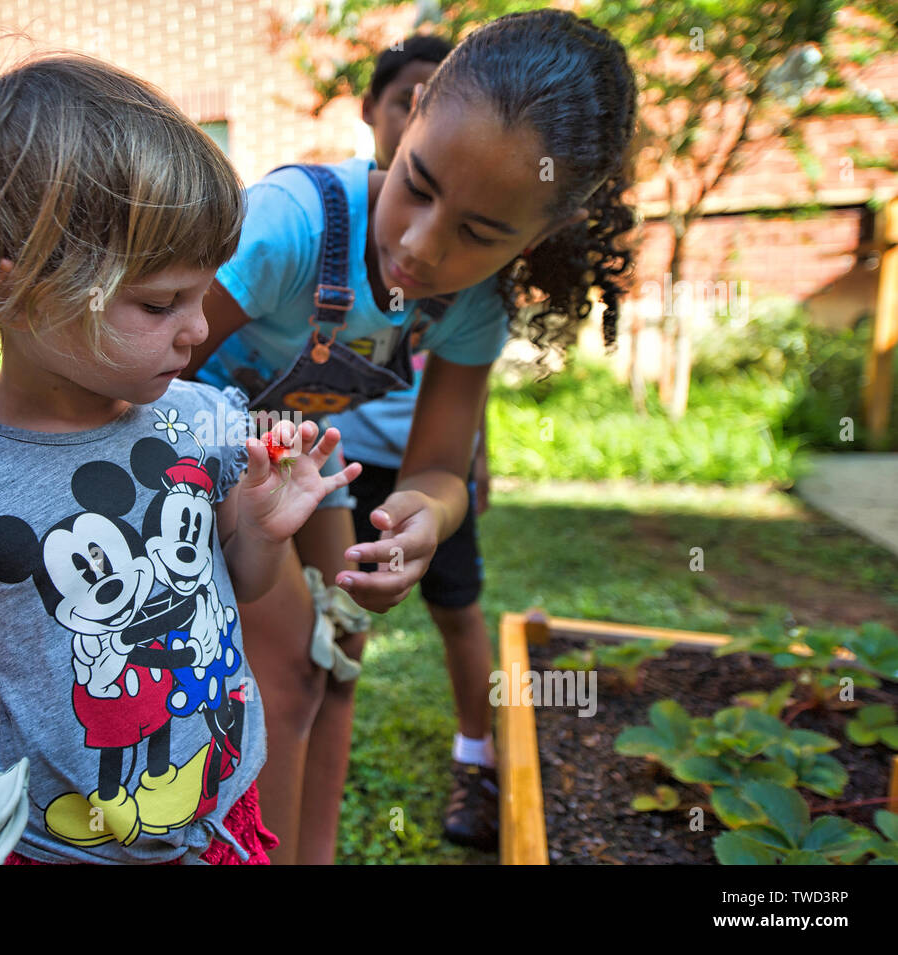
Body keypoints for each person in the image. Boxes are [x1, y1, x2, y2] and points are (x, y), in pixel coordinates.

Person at [0, 51, 361, 865]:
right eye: (160, 302)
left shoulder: (199, 422)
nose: (199, 328)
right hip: (59, 846)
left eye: (203, 290)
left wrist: (259, 532)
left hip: (221, 813)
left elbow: (243, 586)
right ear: (18, 289)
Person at [184, 10, 638, 863]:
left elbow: (437, 464)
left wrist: (424, 516)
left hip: (291, 461)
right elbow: (149, 370)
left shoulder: (473, 307)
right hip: (177, 454)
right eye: (419, 186)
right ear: (416, 109)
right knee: (284, 668)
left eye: (479, 233)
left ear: (534, 238)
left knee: (335, 658)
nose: (420, 248)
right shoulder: (289, 224)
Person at [328, 35, 499, 850]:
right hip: (349, 455)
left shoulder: (469, 274)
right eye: (405, 100)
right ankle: (326, 739)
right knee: (345, 608)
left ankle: (480, 753)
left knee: (458, 609)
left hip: (428, 465)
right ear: (379, 112)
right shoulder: (332, 226)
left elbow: (467, 386)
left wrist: (472, 465)